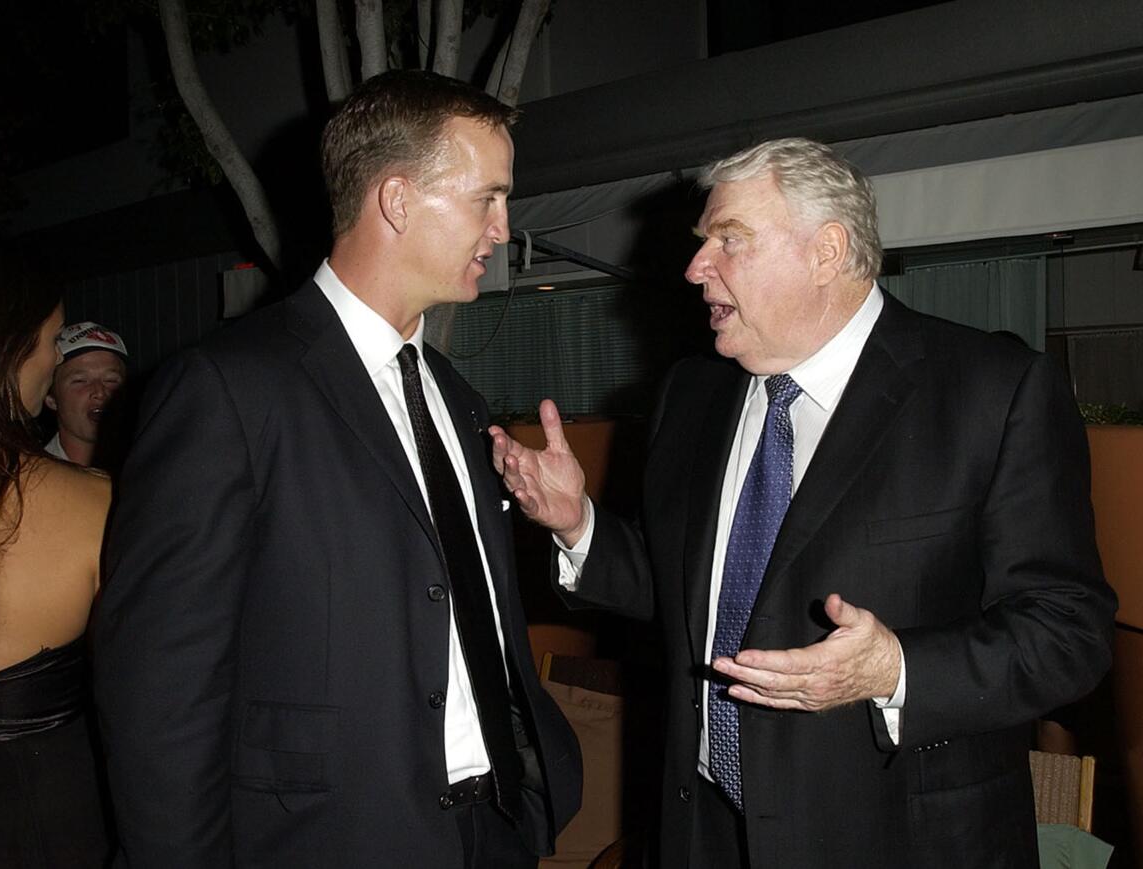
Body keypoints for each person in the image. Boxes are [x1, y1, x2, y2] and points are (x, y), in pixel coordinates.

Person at [490, 138, 1116, 869]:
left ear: (827, 252)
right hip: (705, 831)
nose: (696, 268)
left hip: (896, 840)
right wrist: (579, 525)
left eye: (730, 240)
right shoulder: (693, 395)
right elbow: (686, 597)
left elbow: (1069, 634)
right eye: (702, 244)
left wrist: (896, 669)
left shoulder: (992, 392)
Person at [93, 70, 581, 868]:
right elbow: (160, 696)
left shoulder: (457, 398)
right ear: (395, 199)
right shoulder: (229, 389)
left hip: (490, 831)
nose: (503, 226)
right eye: (485, 198)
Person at [0, 238, 114, 864]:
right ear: (10, 349)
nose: (52, 358)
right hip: (50, 818)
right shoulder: (94, 505)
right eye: (53, 339)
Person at [44, 321, 129, 468]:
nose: (99, 392)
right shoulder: (30, 480)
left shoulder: (152, 470)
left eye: (111, 380)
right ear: (51, 399)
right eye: (80, 381)